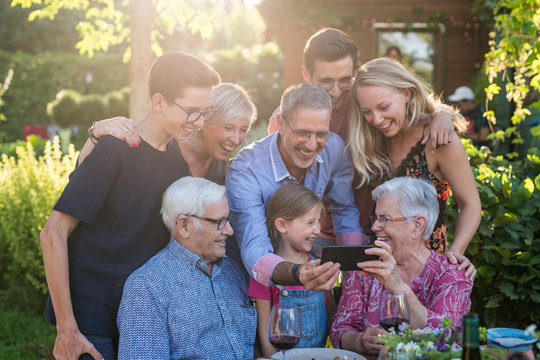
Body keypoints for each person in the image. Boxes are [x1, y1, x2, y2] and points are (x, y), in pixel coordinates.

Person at [40, 52, 220, 360]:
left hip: (140, 313)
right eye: (192, 112)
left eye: (204, 112)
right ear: (159, 102)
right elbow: (52, 233)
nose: (199, 122)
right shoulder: (113, 149)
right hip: (90, 313)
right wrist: (67, 329)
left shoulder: (178, 163)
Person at [266, 27, 456, 243]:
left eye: (345, 80)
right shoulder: (286, 120)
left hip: (366, 228)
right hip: (310, 232)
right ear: (307, 74)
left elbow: (405, 109)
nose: (336, 91)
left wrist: (440, 115)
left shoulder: (364, 103)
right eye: (326, 81)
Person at [348, 57, 481, 278]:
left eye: (384, 107)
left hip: (426, 272)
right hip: (377, 270)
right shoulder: (369, 141)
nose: (376, 119)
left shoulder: (437, 140)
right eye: (367, 112)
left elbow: (470, 204)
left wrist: (455, 253)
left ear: (406, 94)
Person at [226, 83, 364, 292]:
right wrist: (297, 273)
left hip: (305, 265)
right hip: (251, 280)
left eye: (321, 134)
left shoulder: (334, 147)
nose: (311, 145)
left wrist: (355, 271)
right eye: (303, 133)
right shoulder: (246, 169)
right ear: (280, 124)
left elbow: (344, 210)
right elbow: (254, 246)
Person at [117, 177, 256, 360]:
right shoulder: (146, 287)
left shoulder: (236, 273)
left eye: (229, 220)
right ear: (184, 225)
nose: (229, 230)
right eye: (220, 222)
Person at [330, 177, 473, 355]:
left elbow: (443, 337)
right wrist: (360, 341)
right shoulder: (365, 267)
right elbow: (341, 329)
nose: (374, 226)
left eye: (384, 219)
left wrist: (398, 287)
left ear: (417, 225)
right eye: (375, 218)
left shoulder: (453, 274)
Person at [79, 82, 256, 185]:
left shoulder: (227, 171)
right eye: (227, 127)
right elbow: (83, 179)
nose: (236, 139)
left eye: (243, 130)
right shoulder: (162, 146)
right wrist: (95, 134)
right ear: (205, 118)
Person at [247, 184, 328, 356]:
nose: (318, 230)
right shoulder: (263, 274)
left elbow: (330, 314)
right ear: (282, 225)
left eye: (318, 222)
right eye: (310, 222)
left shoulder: (320, 264)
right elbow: (265, 332)